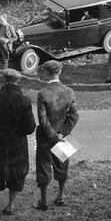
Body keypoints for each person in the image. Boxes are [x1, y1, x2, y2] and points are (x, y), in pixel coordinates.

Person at [0, 68, 37, 218]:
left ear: (3, 80)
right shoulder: (24, 101)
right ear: (18, 81)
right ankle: (10, 206)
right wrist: (18, 131)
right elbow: (30, 127)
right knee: (16, 175)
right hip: (17, 144)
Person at [34, 60, 79, 210]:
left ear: (46, 73)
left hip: (46, 136)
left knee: (44, 165)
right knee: (62, 165)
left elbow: (43, 120)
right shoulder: (69, 92)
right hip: (64, 136)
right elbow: (74, 116)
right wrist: (62, 133)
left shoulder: (42, 93)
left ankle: (43, 200)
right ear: (60, 72)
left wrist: (53, 135)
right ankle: (60, 196)